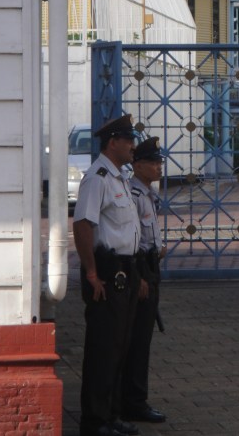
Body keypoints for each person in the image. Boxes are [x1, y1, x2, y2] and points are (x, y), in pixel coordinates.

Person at [73, 115, 142, 436]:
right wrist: (90, 272)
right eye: (128, 140)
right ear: (113, 142)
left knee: (120, 346)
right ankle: (95, 420)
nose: (133, 146)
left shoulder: (120, 178)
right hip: (106, 271)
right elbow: (83, 225)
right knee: (103, 348)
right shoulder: (98, 178)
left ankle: (111, 415)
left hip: (125, 272)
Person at [121, 136, 167, 424]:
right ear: (137, 166)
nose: (158, 167)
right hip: (140, 269)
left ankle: (134, 399)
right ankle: (133, 402)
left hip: (151, 267)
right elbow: (132, 239)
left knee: (143, 339)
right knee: (136, 341)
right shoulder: (134, 195)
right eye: (152, 162)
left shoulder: (148, 194)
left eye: (159, 162)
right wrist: (139, 277)